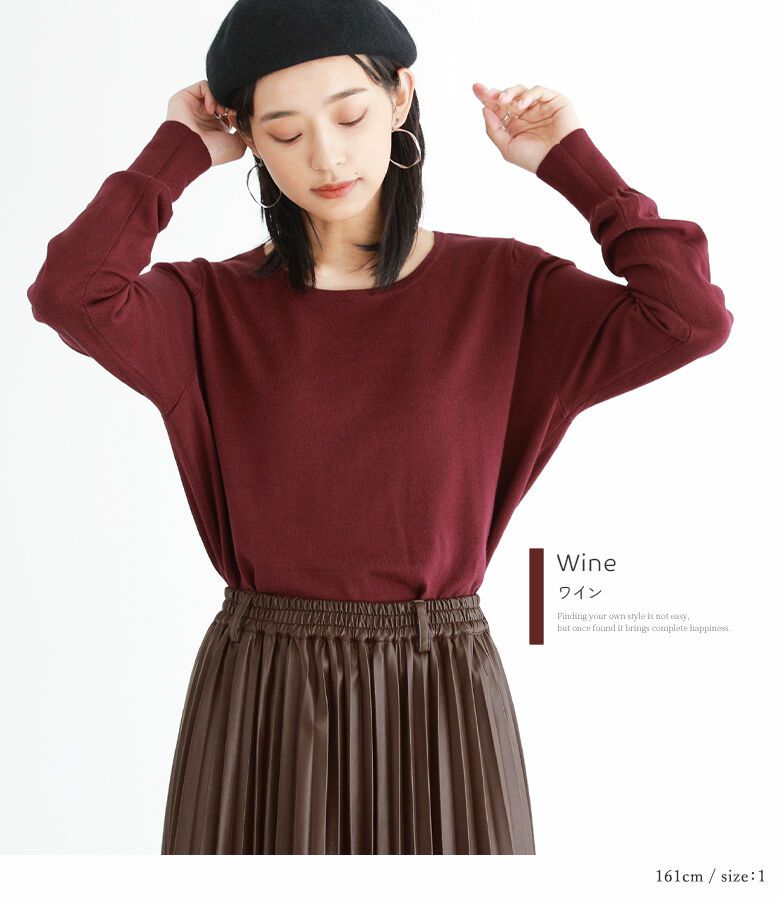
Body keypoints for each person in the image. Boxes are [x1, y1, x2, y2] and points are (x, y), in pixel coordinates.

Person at [26, 0, 733, 855]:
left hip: (442, 692)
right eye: (285, 132)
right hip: (263, 694)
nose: (326, 156)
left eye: (351, 115)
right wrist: (175, 151)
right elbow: (71, 292)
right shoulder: (207, 308)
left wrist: (569, 160)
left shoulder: (504, 290)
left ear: (400, 97)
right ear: (247, 138)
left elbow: (687, 318)